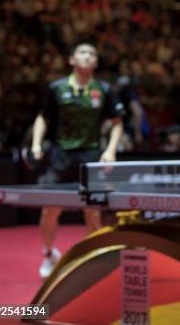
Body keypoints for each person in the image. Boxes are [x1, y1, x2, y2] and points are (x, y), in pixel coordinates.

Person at [31, 42, 124, 278]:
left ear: (96, 62)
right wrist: (36, 143)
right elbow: (43, 118)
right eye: (83, 52)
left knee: (93, 213)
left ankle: (93, 255)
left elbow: (117, 123)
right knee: (50, 210)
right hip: (60, 155)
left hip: (91, 156)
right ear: (72, 60)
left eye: (92, 53)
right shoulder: (57, 88)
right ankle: (49, 253)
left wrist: (110, 150)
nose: (88, 56)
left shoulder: (104, 89)